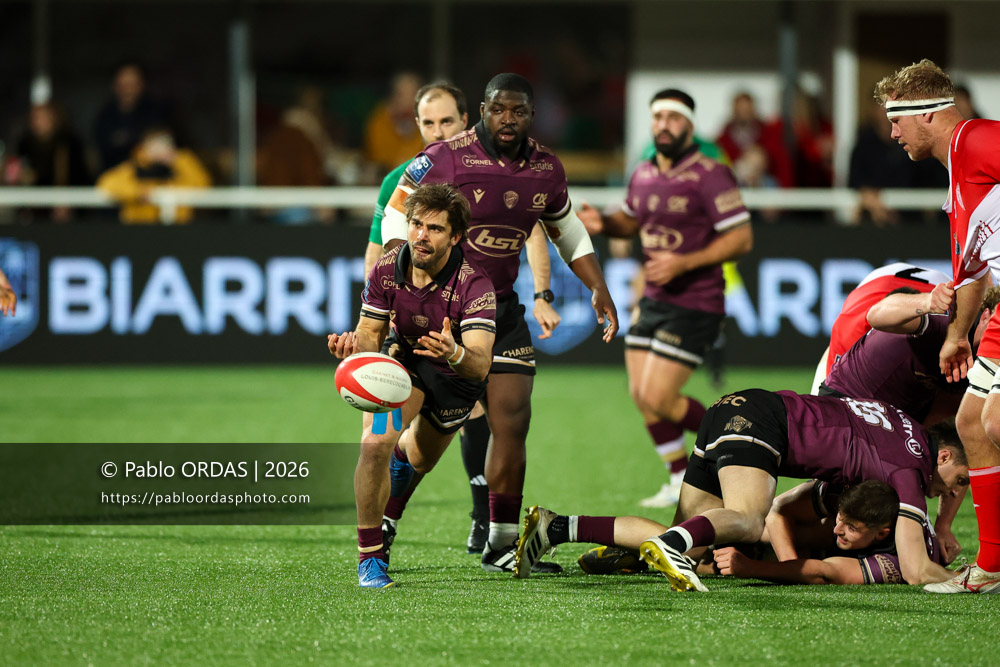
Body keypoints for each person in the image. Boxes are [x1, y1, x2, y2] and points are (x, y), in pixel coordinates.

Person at [380, 73, 619, 573]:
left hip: (500, 310)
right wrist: (400, 259)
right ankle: (385, 521)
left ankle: (501, 544)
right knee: (432, 438)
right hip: (443, 310)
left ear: (531, 115)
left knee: (512, 421)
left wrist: (598, 285)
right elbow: (397, 208)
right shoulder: (447, 156)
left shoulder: (545, 167)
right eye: (498, 110)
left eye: (518, 112)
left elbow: (566, 227)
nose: (507, 120)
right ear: (483, 110)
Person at [365, 81, 560, 555]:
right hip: (423, 323)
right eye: (428, 123)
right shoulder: (403, 181)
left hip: (487, 312)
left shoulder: (497, 168)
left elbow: (532, 226)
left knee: (498, 418)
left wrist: (541, 290)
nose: (437, 132)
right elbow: (379, 256)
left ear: (465, 121)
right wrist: (382, 321)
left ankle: (489, 530)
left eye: (445, 122)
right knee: (401, 442)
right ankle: (378, 534)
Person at [516, 389, 970, 590]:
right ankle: (670, 548)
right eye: (959, 483)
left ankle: (557, 528)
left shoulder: (899, 422)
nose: (951, 493)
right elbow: (915, 570)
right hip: (763, 424)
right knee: (747, 518)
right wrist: (966, 581)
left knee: (696, 534)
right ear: (945, 456)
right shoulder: (909, 467)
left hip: (731, 409)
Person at [578, 89, 753, 508]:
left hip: (697, 302)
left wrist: (684, 262)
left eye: (673, 118)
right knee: (641, 394)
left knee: (659, 397)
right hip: (653, 298)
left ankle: (743, 440)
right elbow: (629, 221)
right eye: (658, 117)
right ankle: (678, 475)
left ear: (689, 125)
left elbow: (742, 238)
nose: (663, 125)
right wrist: (602, 222)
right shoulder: (643, 172)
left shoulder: (711, 173)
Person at [328, 183, 496, 588]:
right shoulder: (388, 268)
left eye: (435, 229)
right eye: (417, 224)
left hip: (455, 378)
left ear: (455, 237)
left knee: (415, 459)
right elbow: (370, 332)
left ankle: (389, 518)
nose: (421, 235)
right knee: (374, 446)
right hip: (401, 366)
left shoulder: (475, 284)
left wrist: (454, 351)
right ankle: (370, 556)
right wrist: (354, 349)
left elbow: (479, 366)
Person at [875, 59, 1000, 593]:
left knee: (994, 425)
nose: (893, 133)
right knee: (973, 424)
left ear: (926, 115)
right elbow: (973, 271)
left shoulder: (975, 139)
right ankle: (992, 567)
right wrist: (955, 334)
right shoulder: (956, 175)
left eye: (897, 121)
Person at [714, 480, 946, 585]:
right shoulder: (849, 491)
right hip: (820, 542)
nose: (839, 529)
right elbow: (778, 511)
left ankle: (715, 562)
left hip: (843, 554)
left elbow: (826, 573)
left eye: (852, 527)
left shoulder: (899, 559)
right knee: (818, 529)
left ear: (881, 534)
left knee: (824, 537)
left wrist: (750, 568)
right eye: (841, 519)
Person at [810, 262, 951, 395]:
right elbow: (832, 394)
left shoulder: (943, 326)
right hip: (876, 286)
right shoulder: (852, 331)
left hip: (937, 291)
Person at [96, 128, 211, 224]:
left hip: (176, 231)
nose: (160, 151)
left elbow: (202, 184)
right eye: (155, 146)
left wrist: (177, 159)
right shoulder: (135, 168)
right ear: (145, 147)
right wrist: (139, 192)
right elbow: (107, 183)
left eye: (166, 145)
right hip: (138, 230)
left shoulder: (179, 169)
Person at [14, 102, 91, 221]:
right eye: (33, 118)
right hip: (34, 208)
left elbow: (78, 177)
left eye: (41, 118)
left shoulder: (68, 143)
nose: (36, 123)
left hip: (68, 208)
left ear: (54, 118)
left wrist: (67, 200)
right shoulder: (24, 145)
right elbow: (18, 174)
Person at [94, 62, 166, 173]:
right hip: (114, 178)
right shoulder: (105, 116)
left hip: (150, 179)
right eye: (124, 85)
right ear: (114, 85)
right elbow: (105, 150)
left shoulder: (155, 113)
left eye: (132, 84)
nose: (128, 90)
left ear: (142, 85)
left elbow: (161, 146)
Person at [364, 72, 425, 175]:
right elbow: (377, 158)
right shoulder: (381, 120)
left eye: (412, 94)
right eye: (401, 94)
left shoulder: (429, 121)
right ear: (393, 96)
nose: (408, 100)